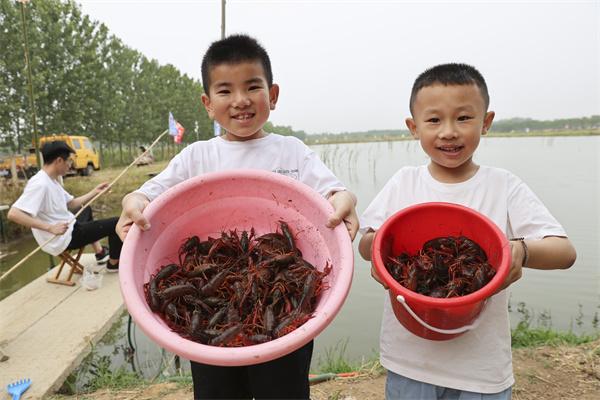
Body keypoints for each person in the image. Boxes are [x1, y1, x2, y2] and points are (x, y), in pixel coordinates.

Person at [116, 34, 359, 399]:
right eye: (225, 91)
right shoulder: (196, 157)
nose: (241, 100)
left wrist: (346, 199)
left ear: (272, 95)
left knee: (285, 391)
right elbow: (150, 193)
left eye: (252, 87)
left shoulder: (292, 152)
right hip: (210, 342)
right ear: (208, 103)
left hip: (286, 332)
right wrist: (132, 199)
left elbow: (333, 193)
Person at [358, 63, 577, 400]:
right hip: (409, 362)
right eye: (434, 120)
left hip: (481, 370)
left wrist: (521, 249)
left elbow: (564, 253)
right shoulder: (404, 182)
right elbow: (366, 241)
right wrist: (377, 247)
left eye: (463, 118)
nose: (449, 132)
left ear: (485, 122)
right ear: (413, 127)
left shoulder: (503, 186)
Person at [8, 141, 121, 271]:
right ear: (59, 160)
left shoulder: (51, 179)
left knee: (86, 209)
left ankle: (100, 252)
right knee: (117, 223)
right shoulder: (40, 184)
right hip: (64, 237)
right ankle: (113, 264)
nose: (70, 166)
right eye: (69, 162)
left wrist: (95, 192)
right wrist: (50, 228)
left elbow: (71, 203)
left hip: (68, 225)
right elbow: (14, 214)